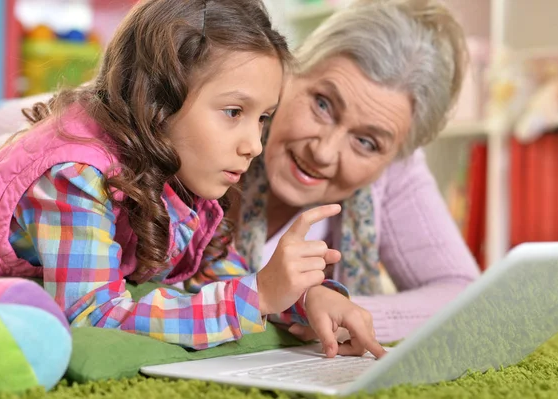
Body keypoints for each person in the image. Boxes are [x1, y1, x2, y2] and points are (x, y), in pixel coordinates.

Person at [0, 0, 384, 358]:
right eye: (233, 111)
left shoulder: (177, 168)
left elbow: (207, 266)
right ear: (158, 101)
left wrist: (302, 296)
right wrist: (257, 296)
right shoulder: (77, 175)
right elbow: (92, 314)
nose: (254, 145)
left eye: (262, 117)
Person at [202, 0, 481, 345]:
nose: (323, 152)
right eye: (322, 104)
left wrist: (339, 310)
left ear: (394, 157)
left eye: (366, 142)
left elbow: (463, 294)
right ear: (292, 70)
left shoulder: (394, 170)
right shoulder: (216, 115)